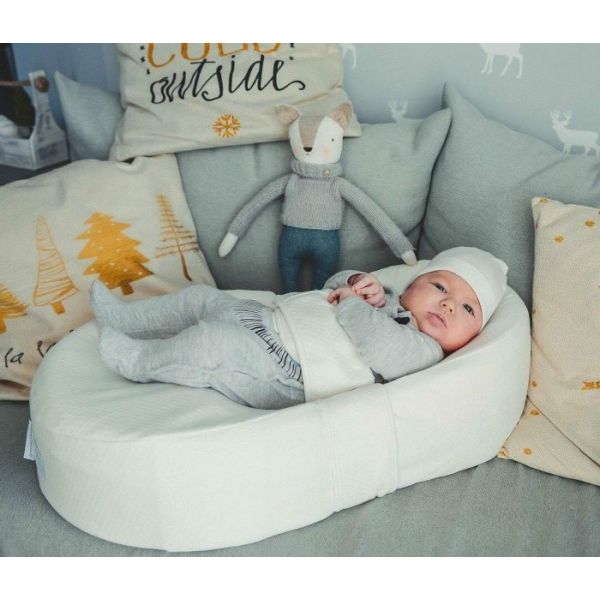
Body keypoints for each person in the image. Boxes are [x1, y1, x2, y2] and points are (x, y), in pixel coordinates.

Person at [90, 247, 507, 410]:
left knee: (212, 344)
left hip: (289, 370)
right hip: (269, 320)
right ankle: (129, 319)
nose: (448, 304)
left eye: (467, 308)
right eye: (440, 287)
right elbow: (331, 287)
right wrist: (356, 282)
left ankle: (138, 360)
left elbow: (380, 345)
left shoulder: (424, 351)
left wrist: (353, 303)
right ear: (413, 286)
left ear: (471, 338)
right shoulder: (388, 297)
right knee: (201, 298)